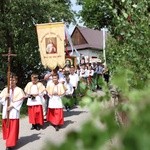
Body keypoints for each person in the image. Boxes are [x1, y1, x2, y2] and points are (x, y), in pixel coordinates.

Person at [0, 74, 25, 150]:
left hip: (13, 111)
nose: (11, 82)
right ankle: (9, 140)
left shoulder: (19, 90)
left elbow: (20, 100)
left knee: (12, 128)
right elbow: (1, 100)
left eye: (13, 80)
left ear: (16, 81)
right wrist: (5, 98)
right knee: (7, 128)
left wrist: (11, 106)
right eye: (10, 80)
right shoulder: (5, 90)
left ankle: (9, 145)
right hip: (6, 111)